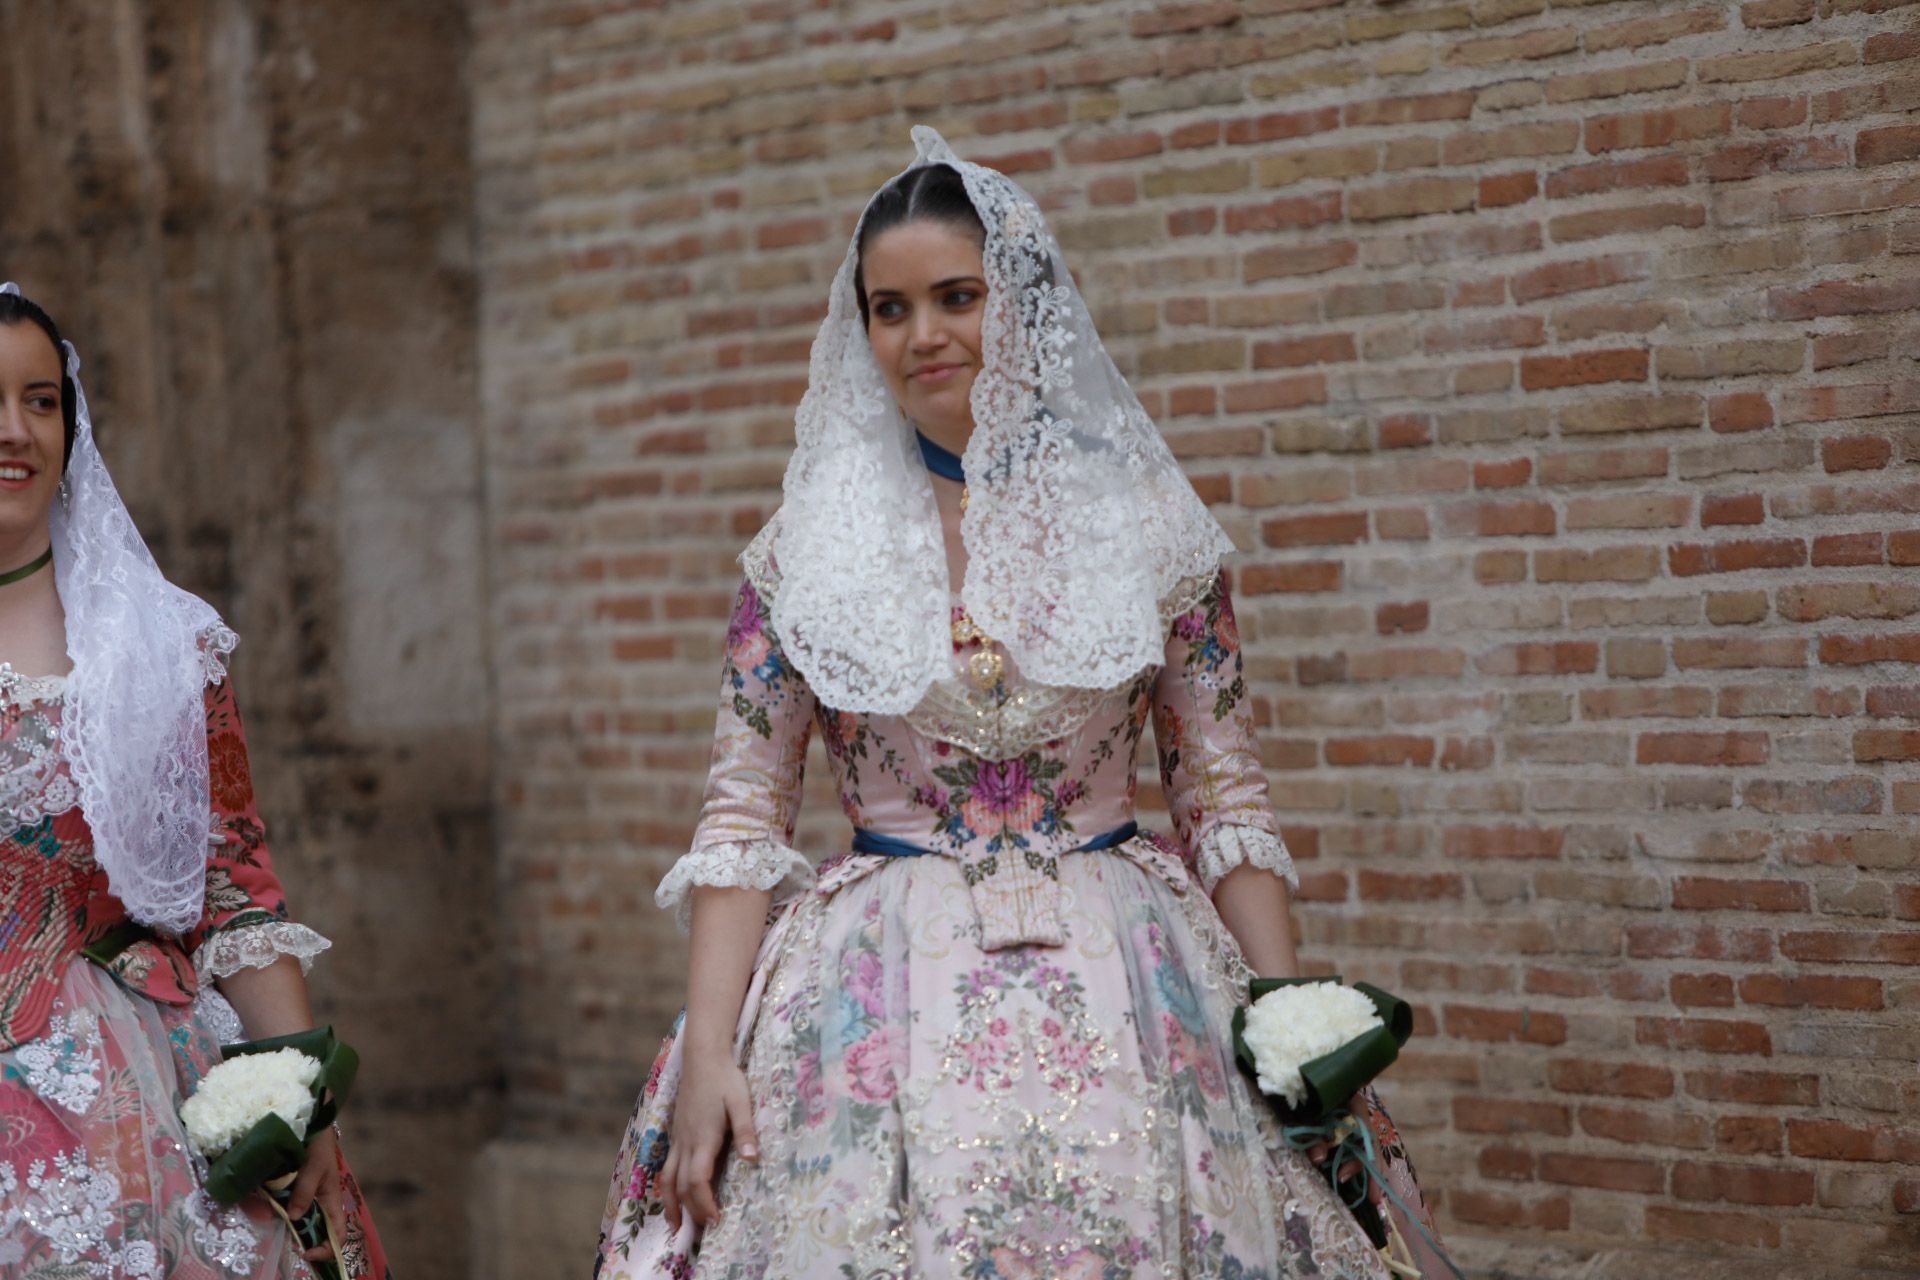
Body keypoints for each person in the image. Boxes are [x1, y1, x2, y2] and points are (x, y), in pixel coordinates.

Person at [596, 129, 1447, 1279]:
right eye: (888, 309)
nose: (922, 335)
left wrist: (1289, 1023)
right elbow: (742, 817)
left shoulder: (1153, 527)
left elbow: (1223, 789)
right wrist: (710, 1053)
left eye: (956, 296)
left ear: (1024, 303)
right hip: (868, 994)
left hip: (1137, 971)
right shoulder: (804, 555)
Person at [0, 284, 391, 1279]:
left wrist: (300, 1094)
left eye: (41, 400)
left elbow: (230, 883)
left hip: (154, 1088)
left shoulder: (160, 642)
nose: (14, 430)